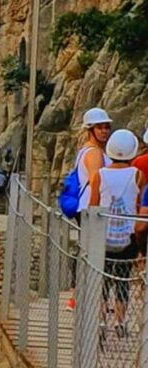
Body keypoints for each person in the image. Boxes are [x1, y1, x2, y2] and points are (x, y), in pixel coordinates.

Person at [89, 129, 146, 337]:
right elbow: (138, 200)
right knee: (122, 280)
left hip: (103, 236)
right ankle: (120, 322)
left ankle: (102, 322)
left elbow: (93, 205)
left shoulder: (99, 175)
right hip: (126, 236)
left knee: (104, 280)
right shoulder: (138, 175)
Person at [67, 108, 114, 311]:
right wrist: (97, 207)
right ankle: (83, 298)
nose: (105, 131)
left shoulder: (84, 150)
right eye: (100, 127)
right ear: (90, 129)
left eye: (107, 127)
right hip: (92, 208)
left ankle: (79, 297)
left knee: (87, 250)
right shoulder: (94, 152)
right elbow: (97, 179)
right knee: (95, 253)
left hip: (85, 207)